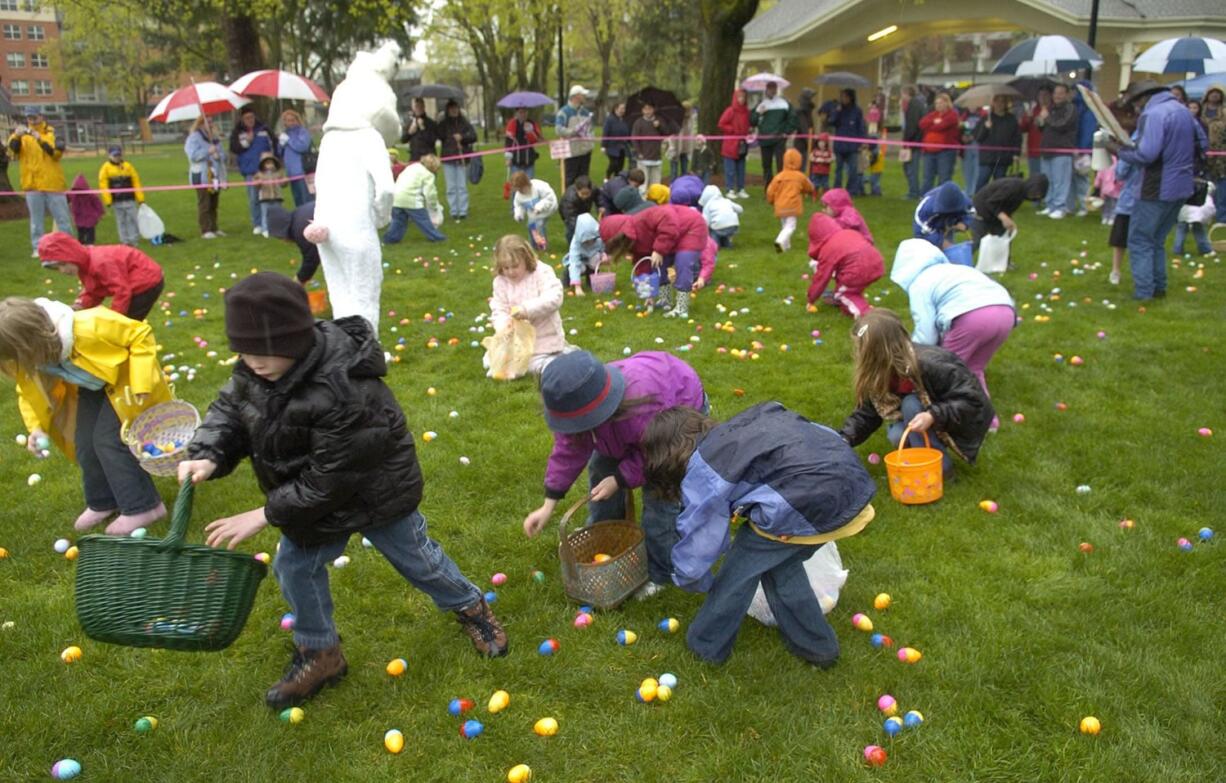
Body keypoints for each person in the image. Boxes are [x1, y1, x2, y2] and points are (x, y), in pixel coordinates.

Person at [180, 272, 507, 710]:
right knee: (295, 567)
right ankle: (320, 653)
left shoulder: (344, 386)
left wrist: (265, 514)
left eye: (263, 351)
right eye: (244, 351)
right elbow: (232, 409)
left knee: (419, 562)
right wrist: (209, 451)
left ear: (295, 340)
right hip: (312, 500)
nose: (251, 361)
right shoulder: (257, 368)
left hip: (376, 493)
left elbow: (332, 477)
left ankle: (470, 606)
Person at [642, 402, 873, 666]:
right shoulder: (746, 423)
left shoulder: (703, 469)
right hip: (851, 486)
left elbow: (701, 542)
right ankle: (819, 649)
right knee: (781, 567)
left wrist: (689, 579)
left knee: (738, 573)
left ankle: (705, 646)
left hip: (811, 505)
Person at [521, 350, 708, 598]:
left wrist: (620, 478)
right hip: (622, 428)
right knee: (601, 471)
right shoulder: (576, 402)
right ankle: (603, 534)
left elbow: (656, 456)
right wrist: (549, 504)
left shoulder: (645, 406)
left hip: (673, 425)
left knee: (660, 502)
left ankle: (660, 572)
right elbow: (569, 448)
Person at [0, 296, 170, 534]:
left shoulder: (88, 325)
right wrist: (35, 427)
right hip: (93, 388)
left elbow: (139, 333)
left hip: (125, 381)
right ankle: (103, 501)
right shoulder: (27, 357)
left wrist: (142, 383)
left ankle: (144, 506)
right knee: (85, 443)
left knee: (108, 440)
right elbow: (27, 392)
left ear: (33, 341)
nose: (18, 363)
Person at [839, 308, 994, 478]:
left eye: (862, 348)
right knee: (897, 435)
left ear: (878, 351)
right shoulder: (879, 373)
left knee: (910, 404)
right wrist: (844, 438)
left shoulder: (931, 363)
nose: (858, 353)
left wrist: (932, 416)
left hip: (959, 418)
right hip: (926, 415)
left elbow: (972, 400)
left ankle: (941, 471)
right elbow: (867, 414)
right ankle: (919, 462)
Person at [889, 239, 1014, 429]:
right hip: (1005, 312)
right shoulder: (954, 270)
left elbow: (926, 334)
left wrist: (911, 355)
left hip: (972, 318)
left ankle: (942, 424)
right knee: (973, 368)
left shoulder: (920, 283)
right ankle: (988, 421)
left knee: (943, 374)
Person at [1109, 80, 1208, 300]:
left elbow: (1146, 155)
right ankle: (1158, 287)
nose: (1136, 109)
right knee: (1157, 240)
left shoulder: (1153, 114)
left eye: (1135, 103)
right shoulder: (1183, 111)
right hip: (1182, 186)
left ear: (1143, 98)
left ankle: (1144, 292)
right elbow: (1203, 144)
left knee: (1140, 240)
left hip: (1156, 185)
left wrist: (1118, 150)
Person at [487, 234, 575, 377]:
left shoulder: (541, 272)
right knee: (494, 361)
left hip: (544, 335)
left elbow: (554, 297)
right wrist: (503, 325)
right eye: (505, 267)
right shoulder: (500, 281)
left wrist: (526, 310)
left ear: (526, 258)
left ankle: (551, 363)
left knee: (535, 365)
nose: (510, 271)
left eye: (515, 266)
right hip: (517, 340)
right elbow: (499, 307)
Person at [600, 204, 708, 318]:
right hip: (674, 236)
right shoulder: (632, 241)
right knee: (657, 264)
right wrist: (648, 292)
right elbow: (642, 263)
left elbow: (668, 217)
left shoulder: (643, 219)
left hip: (691, 227)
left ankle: (682, 307)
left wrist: (659, 249)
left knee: (683, 263)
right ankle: (665, 299)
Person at [36, 231, 165, 320]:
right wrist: (80, 305)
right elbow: (95, 290)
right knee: (126, 321)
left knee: (128, 322)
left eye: (63, 264)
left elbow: (121, 290)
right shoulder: (84, 265)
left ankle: (127, 349)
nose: (63, 270)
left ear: (72, 255)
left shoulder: (100, 263)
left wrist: (114, 318)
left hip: (146, 281)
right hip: (135, 280)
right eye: (58, 268)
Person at [8, 110, 72, 257]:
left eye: (34, 117)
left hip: (53, 183)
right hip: (32, 184)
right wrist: (17, 135)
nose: (32, 120)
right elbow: (12, 152)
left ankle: (68, 246)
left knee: (62, 218)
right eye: (29, 117)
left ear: (41, 117)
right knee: (36, 220)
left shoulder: (52, 132)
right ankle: (38, 247)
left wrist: (40, 139)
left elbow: (56, 154)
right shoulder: (21, 136)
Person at [805, 213, 884, 318]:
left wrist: (811, 298)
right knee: (851, 289)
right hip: (877, 263)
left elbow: (822, 277)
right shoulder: (849, 232)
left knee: (843, 294)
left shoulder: (828, 248)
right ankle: (850, 310)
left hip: (858, 269)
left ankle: (867, 315)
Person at [229, 107, 278, 235]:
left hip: (265, 170)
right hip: (249, 170)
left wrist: (273, 160)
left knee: (268, 198)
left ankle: (267, 223)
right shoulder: (238, 132)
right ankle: (257, 223)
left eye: (252, 117)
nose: (250, 120)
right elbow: (234, 148)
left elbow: (274, 144)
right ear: (242, 119)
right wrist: (247, 141)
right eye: (247, 118)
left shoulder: (264, 129)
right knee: (253, 198)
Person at [970, 174, 1049, 251]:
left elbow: (1006, 207)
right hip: (981, 211)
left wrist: (1009, 221)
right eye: (1036, 193)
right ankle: (962, 259)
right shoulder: (1012, 187)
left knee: (1004, 238)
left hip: (995, 214)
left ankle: (1004, 261)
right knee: (977, 241)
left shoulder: (1021, 193)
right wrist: (1004, 218)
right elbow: (991, 203)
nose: (1036, 196)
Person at [1036, 83, 1077, 220]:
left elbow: (1062, 125)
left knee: (1061, 180)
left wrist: (1047, 118)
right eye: (1055, 93)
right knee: (1048, 180)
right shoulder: (1050, 108)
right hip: (1047, 148)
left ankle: (1060, 207)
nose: (1057, 96)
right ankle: (1050, 205)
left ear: (1067, 94)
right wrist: (1040, 120)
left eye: (1061, 93)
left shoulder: (1070, 109)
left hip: (1062, 150)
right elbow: (1043, 129)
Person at [383, 154, 445, 244]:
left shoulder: (412, 167)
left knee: (398, 221)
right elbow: (430, 193)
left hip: (396, 197)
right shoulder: (428, 175)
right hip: (412, 200)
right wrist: (434, 206)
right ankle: (437, 237)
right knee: (423, 220)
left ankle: (390, 239)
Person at [766, 149, 814, 253]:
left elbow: (770, 191)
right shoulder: (800, 176)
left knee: (785, 225)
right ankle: (780, 241)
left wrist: (771, 201)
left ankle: (786, 247)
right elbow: (809, 188)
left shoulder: (778, 176)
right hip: (792, 205)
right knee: (790, 226)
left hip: (780, 206)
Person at [185, 116, 226, 239]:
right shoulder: (193, 138)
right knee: (204, 202)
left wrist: (219, 156)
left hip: (215, 175)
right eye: (207, 122)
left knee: (214, 202)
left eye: (211, 121)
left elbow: (222, 154)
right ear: (201, 123)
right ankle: (205, 229)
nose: (210, 124)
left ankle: (214, 227)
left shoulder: (214, 138)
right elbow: (193, 156)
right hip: (202, 175)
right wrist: (207, 152)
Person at [751, 82, 797, 189]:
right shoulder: (761, 104)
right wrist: (758, 113)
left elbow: (793, 118)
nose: (772, 90)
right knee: (766, 165)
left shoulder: (784, 103)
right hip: (764, 140)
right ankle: (768, 188)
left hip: (779, 139)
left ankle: (781, 187)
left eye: (773, 88)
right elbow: (752, 121)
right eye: (769, 88)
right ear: (766, 90)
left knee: (781, 164)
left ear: (776, 89)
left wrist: (787, 131)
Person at [97, 145, 144, 247]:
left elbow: (136, 181)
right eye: (115, 155)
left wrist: (140, 198)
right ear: (109, 156)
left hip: (130, 199)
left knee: (132, 219)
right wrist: (108, 200)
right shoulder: (105, 168)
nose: (117, 157)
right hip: (117, 200)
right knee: (121, 221)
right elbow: (103, 184)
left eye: (119, 155)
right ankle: (124, 240)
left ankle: (134, 239)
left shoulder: (128, 166)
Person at [438, 99, 477, 221]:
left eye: (456, 108)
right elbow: (439, 135)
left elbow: (473, 136)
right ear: (448, 110)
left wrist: (463, 138)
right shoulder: (443, 124)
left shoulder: (465, 123)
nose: (454, 110)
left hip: (462, 158)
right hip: (448, 159)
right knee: (451, 187)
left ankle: (463, 210)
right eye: (451, 108)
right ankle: (454, 210)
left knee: (462, 186)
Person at [1107, 151, 1141, 286]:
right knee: (1142, 240)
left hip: (1129, 201)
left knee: (1121, 239)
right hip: (1145, 199)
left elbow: (1120, 173)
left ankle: (1116, 270)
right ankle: (1138, 273)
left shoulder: (1131, 147)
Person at [267, 203, 322, 284]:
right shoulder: (298, 214)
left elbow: (311, 260)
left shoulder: (300, 230)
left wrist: (299, 281)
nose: (284, 242)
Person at [974, 96, 1021, 190]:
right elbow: (978, 138)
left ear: (1006, 104)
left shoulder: (1011, 119)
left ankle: (997, 203)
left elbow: (1017, 137)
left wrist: (1016, 153)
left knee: (1000, 185)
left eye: (1002, 101)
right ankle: (977, 203)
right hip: (987, 158)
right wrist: (985, 128)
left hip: (1003, 158)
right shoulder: (986, 118)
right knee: (981, 182)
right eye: (997, 101)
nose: (999, 104)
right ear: (993, 103)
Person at [919, 93, 961, 192]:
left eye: (941, 103)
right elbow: (922, 124)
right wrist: (934, 121)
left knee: (944, 177)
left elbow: (941, 126)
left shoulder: (952, 115)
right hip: (929, 151)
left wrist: (932, 125)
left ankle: (942, 197)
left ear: (947, 103)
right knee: (927, 176)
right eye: (936, 103)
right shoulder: (933, 115)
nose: (938, 105)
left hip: (946, 151)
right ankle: (925, 197)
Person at [827, 89, 866, 194]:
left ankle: (851, 190)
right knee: (838, 169)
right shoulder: (838, 110)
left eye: (845, 97)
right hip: (840, 145)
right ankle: (837, 189)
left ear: (850, 97)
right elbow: (831, 122)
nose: (843, 99)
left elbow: (861, 127)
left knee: (853, 169)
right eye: (842, 97)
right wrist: (836, 112)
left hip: (852, 145)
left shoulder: (857, 111)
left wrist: (861, 142)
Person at [556, 85, 596, 187]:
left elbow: (591, 130)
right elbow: (558, 129)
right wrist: (573, 131)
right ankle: (569, 201)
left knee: (584, 179)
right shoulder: (564, 112)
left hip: (585, 151)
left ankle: (583, 201)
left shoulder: (586, 113)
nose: (585, 97)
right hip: (571, 152)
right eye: (583, 95)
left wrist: (590, 143)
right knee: (570, 179)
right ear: (576, 96)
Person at [631, 101, 677, 188]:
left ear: (653, 110)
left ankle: (654, 200)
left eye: (650, 109)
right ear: (642, 111)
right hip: (643, 157)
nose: (648, 111)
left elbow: (666, 133)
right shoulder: (638, 123)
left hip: (656, 157)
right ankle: (643, 200)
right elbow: (634, 139)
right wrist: (639, 152)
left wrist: (659, 126)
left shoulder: (658, 121)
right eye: (646, 109)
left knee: (655, 185)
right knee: (643, 184)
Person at [1070, 82, 1100, 217]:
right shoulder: (1076, 107)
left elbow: (1088, 131)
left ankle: (1084, 205)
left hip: (1083, 150)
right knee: (1073, 178)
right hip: (1075, 148)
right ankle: (1073, 205)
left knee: (1082, 178)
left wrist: (1082, 149)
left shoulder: (1089, 110)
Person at [913, 181, 972, 249]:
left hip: (948, 223)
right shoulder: (924, 210)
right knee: (929, 252)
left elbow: (970, 212)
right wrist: (941, 242)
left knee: (950, 252)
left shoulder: (964, 200)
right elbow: (921, 233)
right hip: (928, 228)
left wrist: (965, 224)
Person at [511, 171, 558, 251]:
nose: (520, 191)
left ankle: (542, 246)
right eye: (518, 189)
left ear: (526, 184)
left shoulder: (539, 186)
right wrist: (519, 215)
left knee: (539, 225)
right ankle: (533, 246)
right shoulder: (519, 195)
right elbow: (518, 206)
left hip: (548, 208)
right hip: (534, 213)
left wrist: (539, 207)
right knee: (531, 226)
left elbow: (549, 198)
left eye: (521, 188)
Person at [718, 88, 751, 198]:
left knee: (741, 169)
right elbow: (721, 124)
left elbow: (748, 125)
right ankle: (730, 189)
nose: (742, 99)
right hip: (730, 145)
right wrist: (732, 129)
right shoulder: (730, 111)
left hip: (742, 144)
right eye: (739, 97)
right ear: (735, 98)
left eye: (743, 97)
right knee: (730, 169)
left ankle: (741, 189)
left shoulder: (746, 112)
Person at [278, 110, 315, 207]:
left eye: (292, 120)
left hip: (303, 171)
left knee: (307, 199)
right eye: (287, 120)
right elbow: (279, 153)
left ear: (297, 120)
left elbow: (302, 147)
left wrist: (289, 140)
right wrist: (280, 144)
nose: (290, 123)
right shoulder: (285, 133)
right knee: (297, 199)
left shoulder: (303, 132)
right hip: (291, 173)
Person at [563, 213, 605, 293]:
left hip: (592, 257)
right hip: (579, 261)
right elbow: (574, 263)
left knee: (595, 260)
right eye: (586, 241)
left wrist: (604, 255)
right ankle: (567, 282)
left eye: (592, 239)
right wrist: (577, 287)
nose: (590, 242)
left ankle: (591, 280)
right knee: (579, 268)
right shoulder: (576, 244)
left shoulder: (598, 238)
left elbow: (602, 248)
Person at [1203, 86, 1226, 226]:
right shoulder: (1201, 111)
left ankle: (1221, 217)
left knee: (1221, 187)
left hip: (1221, 158)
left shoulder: (1222, 116)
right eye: (1213, 93)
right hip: (1205, 155)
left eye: (1218, 94)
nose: (1215, 96)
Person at [901, 85, 928, 199]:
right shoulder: (916, 104)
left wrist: (907, 141)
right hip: (914, 141)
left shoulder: (914, 106)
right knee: (909, 167)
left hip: (913, 142)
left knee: (911, 168)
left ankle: (914, 192)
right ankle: (913, 190)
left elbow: (912, 125)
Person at [1020, 86, 1051, 180]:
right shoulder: (1033, 110)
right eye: (1040, 95)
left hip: (1048, 150)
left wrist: (1047, 118)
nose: (1043, 97)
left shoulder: (1053, 110)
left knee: (1047, 178)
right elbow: (1022, 128)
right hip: (1034, 150)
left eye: (1045, 95)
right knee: (1034, 177)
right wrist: (1027, 118)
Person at [1173, 189, 1215, 257]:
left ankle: (1177, 249)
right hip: (1196, 213)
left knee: (1181, 230)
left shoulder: (1181, 186)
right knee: (1199, 231)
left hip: (1183, 211)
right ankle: (1205, 250)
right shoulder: (1201, 186)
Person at [251, 153, 285, 238]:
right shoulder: (259, 174)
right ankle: (265, 229)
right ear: (263, 165)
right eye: (267, 163)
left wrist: (284, 181)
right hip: (265, 198)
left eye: (271, 163)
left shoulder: (278, 173)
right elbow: (254, 184)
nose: (269, 165)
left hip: (277, 197)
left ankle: (277, 229)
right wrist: (257, 183)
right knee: (265, 214)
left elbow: (283, 184)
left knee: (278, 213)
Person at [504, 107, 542, 179]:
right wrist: (508, 158)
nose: (523, 114)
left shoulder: (531, 123)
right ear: (517, 113)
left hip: (529, 160)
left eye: (525, 112)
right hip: (516, 161)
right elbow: (508, 142)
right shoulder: (512, 124)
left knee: (529, 184)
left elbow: (537, 139)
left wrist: (530, 132)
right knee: (517, 185)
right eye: (521, 112)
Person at [67, 174, 104, 246]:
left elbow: (98, 204)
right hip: (79, 216)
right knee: (80, 231)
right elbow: (66, 198)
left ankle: (90, 243)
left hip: (90, 217)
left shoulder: (91, 195)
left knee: (90, 231)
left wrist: (100, 213)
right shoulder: (73, 194)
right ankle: (82, 243)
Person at [559, 175, 595, 244]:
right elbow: (571, 218)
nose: (585, 196)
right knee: (571, 229)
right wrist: (581, 228)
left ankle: (585, 243)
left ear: (590, 190)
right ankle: (571, 244)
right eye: (582, 194)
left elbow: (598, 197)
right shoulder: (570, 199)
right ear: (577, 190)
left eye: (587, 194)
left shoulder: (594, 189)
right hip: (568, 215)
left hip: (583, 210)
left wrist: (600, 206)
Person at [401, 97, 439, 161]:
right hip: (414, 157)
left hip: (428, 158)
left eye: (420, 107)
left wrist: (422, 128)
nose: (418, 109)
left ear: (424, 107)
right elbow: (403, 140)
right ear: (414, 108)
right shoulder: (410, 122)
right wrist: (410, 132)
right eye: (417, 107)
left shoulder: (431, 123)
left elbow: (432, 141)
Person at [602, 102, 631, 180]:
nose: (623, 110)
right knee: (614, 164)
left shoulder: (624, 120)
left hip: (622, 147)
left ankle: (617, 180)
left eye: (624, 108)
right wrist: (603, 146)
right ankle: (607, 177)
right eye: (621, 108)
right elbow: (605, 132)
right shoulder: (610, 119)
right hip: (612, 147)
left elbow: (627, 132)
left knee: (620, 166)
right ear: (616, 109)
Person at [669, 101, 697, 181]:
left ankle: (683, 187)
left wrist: (691, 147)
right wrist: (672, 148)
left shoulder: (690, 120)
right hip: (675, 147)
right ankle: (673, 187)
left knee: (684, 170)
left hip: (686, 148)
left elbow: (692, 133)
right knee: (674, 171)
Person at [1094, 157, 1122, 226]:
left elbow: (1120, 176)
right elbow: (1099, 175)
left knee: (1112, 204)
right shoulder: (1104, 166)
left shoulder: (1117, 166)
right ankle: (1105, 217)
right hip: (1105, 189)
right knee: (1105, 204)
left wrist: (1119, 184)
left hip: (1114, 189)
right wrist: (1097, 184)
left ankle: (1112, 217)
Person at [793, 88, 816, 153]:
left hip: (807, 142)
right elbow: (804, 129)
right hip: (802, 145)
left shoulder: (808, 111)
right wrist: (811, 144)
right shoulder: (801, 112)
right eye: (810, 98)